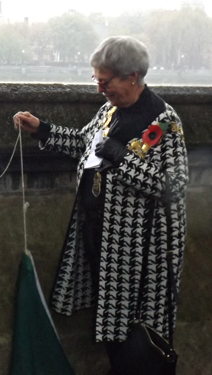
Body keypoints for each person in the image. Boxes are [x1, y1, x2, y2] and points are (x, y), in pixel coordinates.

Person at [13, 36, 188, 374]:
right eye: (97, 80)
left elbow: (173, 187)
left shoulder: (163, 122)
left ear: (132, 77)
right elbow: (85, 142)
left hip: (145, 259)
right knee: (114, 334)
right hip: (107, 248)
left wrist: (121, 158)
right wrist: (42, 130)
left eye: (105, 82)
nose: (100, 89)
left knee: (139, 338)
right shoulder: (110, 111)